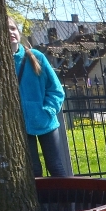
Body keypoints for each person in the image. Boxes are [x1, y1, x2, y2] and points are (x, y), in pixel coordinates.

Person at [8, 16, 70, 178]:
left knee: (55, 167)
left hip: (45, 121)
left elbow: (56, 89)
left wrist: (48, 110)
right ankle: (41, 197)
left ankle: (66, 196)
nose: (10, 32)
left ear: (19, 32)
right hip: (19, 124)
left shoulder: (35, 56)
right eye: (5, 30)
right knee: (33, 170)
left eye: (13, 28)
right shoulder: (0, 64)